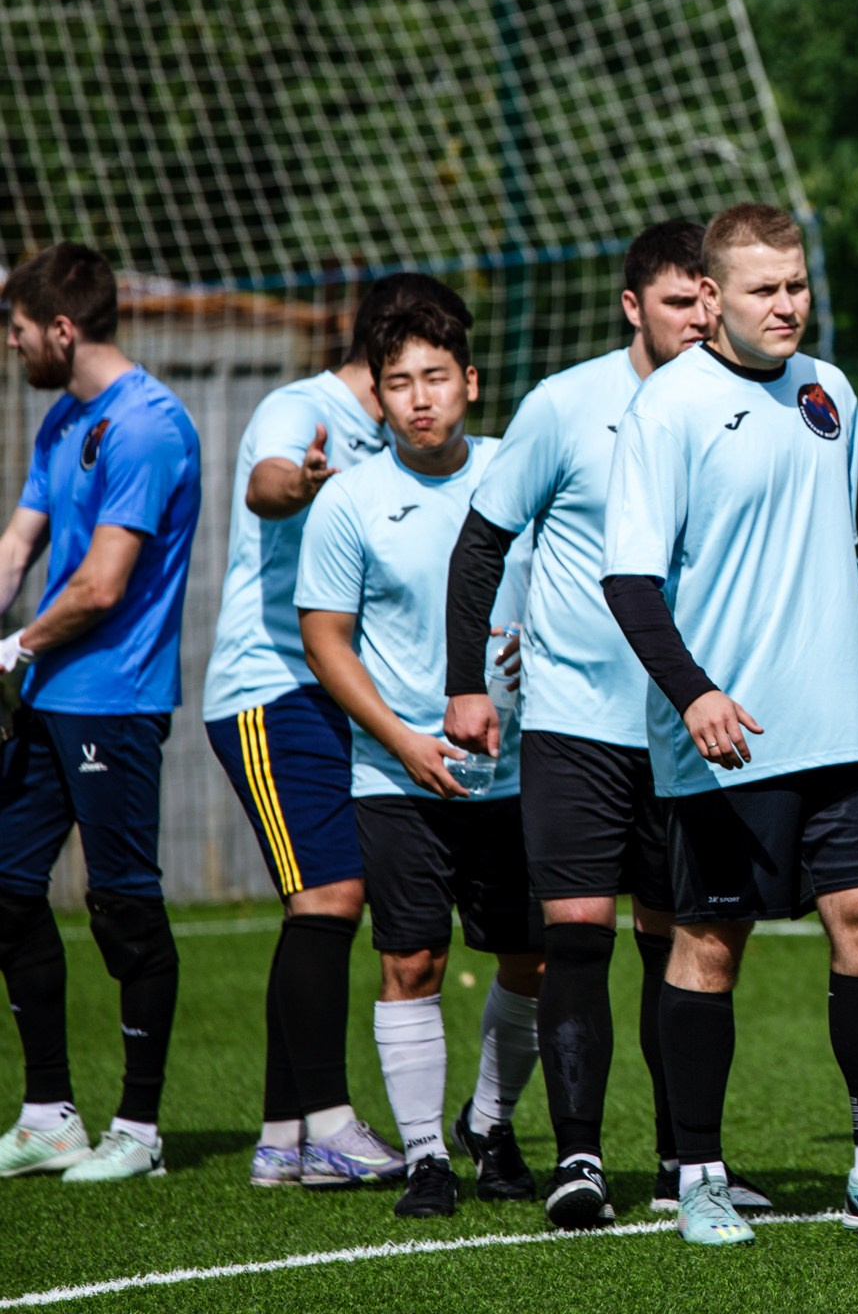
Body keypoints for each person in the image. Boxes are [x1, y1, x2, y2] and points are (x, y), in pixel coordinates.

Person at [602, 203, 858, 1248]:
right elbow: (628, 582)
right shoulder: (667, 406)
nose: (786, 305)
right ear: (711, 297)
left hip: (841, 735)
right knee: (710, 943)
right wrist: (695, 694)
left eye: (797, 285)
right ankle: (700, 1175)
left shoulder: (831, 392)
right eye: (764, 289)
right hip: (726, 737)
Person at [440, 221, 774, 1229]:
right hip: (578, 723)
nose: (699, 320)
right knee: (574, 936)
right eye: (679, 303)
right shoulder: (567, 405)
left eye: (707, 301)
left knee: (683, 944)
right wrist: (467, 684)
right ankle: (580, 1160)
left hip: (692, 730)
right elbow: (482, 542)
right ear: (634, 306)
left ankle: (683, 1162)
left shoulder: (744, 402)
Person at [201, 272, 462, 1193]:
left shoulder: (417, 441)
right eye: (415, 364)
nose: (429, 388)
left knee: (326, 904)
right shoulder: (299, 406)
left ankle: (283, 1138)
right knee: (330, 898)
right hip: (274, 687)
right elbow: (270, 480)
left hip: (336, 691)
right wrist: (298, 481)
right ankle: (330, 1123)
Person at [296, 293, 543, 1221]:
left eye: (436, 377)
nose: (419, 399)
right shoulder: (351, 502)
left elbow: (571, 586)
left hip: (518, 769)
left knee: (530, 958)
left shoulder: (519, 481)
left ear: (470, 383)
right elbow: (325, 638)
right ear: (378, 395)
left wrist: (540, 647)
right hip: (396, 772)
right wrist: (400, 739)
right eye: (398, 383)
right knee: (412, 962)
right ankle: (428, 1155)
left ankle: (492, 1124)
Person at [0, 242, 202, 1184]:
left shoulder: (150, 426)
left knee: (122, 909)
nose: (13, 345)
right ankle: (48, 1115)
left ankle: (143, 1128)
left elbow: (102, 584)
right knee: (4, 888)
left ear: (62, 327)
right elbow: (17, 549)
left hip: (113, 702)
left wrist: (16, 645)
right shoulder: (63, 422)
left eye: (19, 329)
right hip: (45, 700)